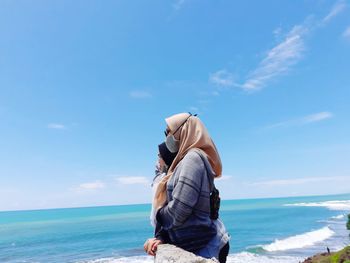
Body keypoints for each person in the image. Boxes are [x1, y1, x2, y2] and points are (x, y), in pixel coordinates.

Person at [144, 113, 230, 263]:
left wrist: (158, 214)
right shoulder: (186, 160)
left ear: (183, 131)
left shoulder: (193, 158)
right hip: (196, 245)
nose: (167, 137)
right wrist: (161, 237)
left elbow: (179, 210)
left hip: (203, 247)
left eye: (168, 131)